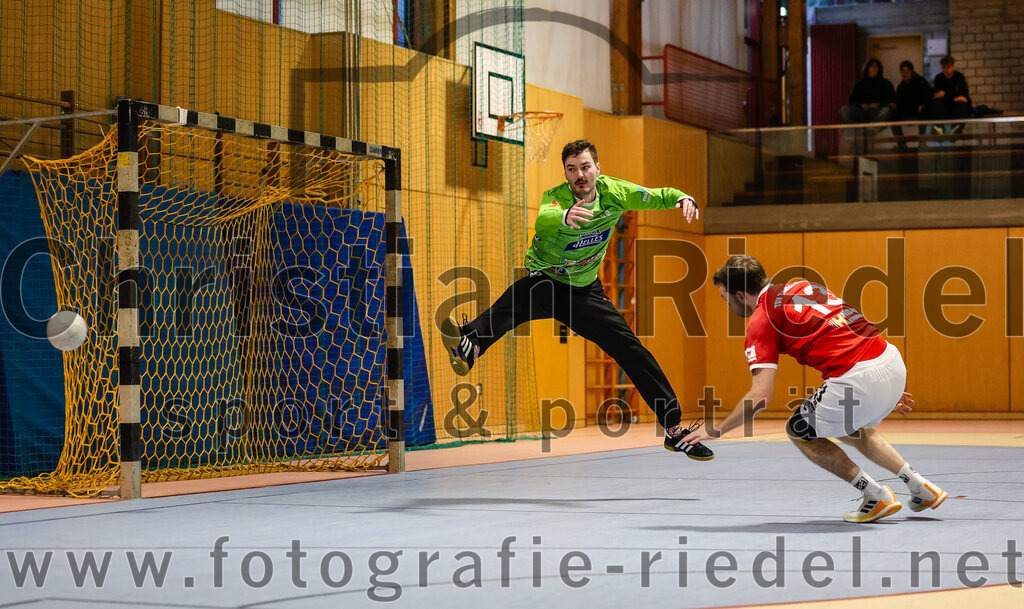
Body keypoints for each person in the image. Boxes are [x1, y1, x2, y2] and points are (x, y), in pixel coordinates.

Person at [439, 139, 713, 461]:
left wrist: (682, 197)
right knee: (521, 294)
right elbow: (544, 219)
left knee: (631, 349)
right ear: (566, 174)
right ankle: (471, 343)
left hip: (584, 292)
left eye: (585, 167)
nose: (579, 174)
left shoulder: (615, 192)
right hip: (549, 281)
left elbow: (653, 196)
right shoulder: (555, 200)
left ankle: (674, 429)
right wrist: (565, 216)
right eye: (572, 169)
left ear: (597, 168)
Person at [682, 256, 948, 522]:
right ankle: (920, 486)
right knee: (847, 425)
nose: (727, 304)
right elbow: (847, 326)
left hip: (857, 375)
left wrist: (716, 429)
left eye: (725, 298)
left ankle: (875, 495)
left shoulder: (761, 320)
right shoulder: (802, 287)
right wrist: (884, 389)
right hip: (889, 359)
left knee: (799, 430)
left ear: (740, 294)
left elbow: (760, 397)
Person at [839, 58, 896, 126]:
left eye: (876, 66)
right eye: (871, 66)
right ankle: (853, 131)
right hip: (861, 111)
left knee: (886, 111)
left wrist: (879, 104)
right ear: (867, 68)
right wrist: (861, 105)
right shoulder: (860, 84)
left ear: (879, 69)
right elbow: (852, 101)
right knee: (844, 109)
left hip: (878, 111)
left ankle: (872, 129)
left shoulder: (886, 83)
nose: (874, 68)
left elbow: (892, 102)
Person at [893, 60, 932, 142]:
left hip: (919, 110)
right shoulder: (901, 87)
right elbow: (899, 102)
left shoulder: (921, 82)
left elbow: (929, 95)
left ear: (912, 71)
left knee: (924, 111)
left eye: (907, 71)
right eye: (903, 71)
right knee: (893, 114)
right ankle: (900, 142)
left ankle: (922, 141)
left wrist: (923, 105)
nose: (905, 74)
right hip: (907, 110)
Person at [932, 54, 971, 134]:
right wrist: (954, 96)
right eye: (944, 67)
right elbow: (936, 95)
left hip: (957, 107)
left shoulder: (959, 77)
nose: (946, 70)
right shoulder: (939, 78)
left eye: (948, 67)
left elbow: (964, 95)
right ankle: (938, 127)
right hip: (944, 107)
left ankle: (957, 128)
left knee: (962, 104)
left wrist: (945, 94)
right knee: (937, 104)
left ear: (953, 66)